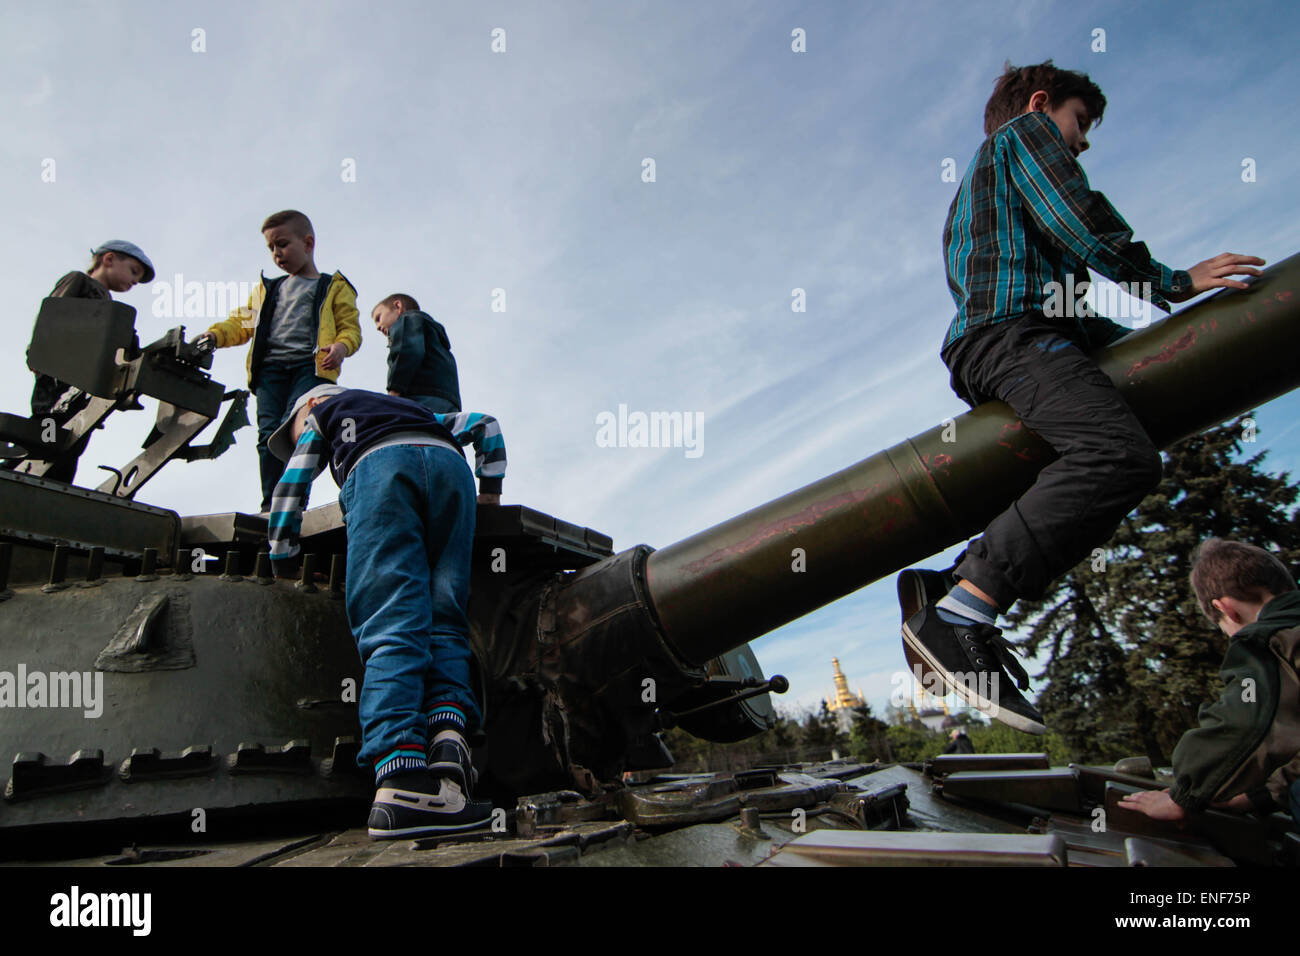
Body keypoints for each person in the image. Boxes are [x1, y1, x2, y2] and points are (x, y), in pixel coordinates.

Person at [899, 60, 1265, 735]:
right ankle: (961, 611)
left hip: (1016, 334)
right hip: (1013, 337)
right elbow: (1080, 217)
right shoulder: (1021, 139)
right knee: (1116, 455)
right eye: (1080, 123)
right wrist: (1172, 282)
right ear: (1040, 106)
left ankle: (953, 579)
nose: (1083, 142)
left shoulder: (977, 195)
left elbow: (1060, 294)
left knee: (1113, 440)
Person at [266, 384, 506, 838]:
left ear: (312, 406)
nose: (298, 441)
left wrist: (283, 557)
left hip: (381, 471)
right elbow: (486, 426)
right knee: (446, 620)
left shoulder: (325, 413)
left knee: (392, 624)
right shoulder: (414, 408)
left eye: (295, 430)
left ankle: (401, 784)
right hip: (452, 469)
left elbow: (291, 486)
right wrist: (488, 493)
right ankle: (449, 743)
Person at [1119, 539, 1300, 825]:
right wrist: (1260, 796)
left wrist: (1185, 795)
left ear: (1226, 609)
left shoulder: (1266, 640)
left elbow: (1244, 723)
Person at [195, 210, 360, 513]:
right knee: (268, 433)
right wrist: (216, 336)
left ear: (308, 243)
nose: (276, 253)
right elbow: (241, 322)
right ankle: (271, 503)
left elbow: (350, 327)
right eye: (271, 248)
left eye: (282, 244)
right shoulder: (268, 290)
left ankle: (292, 503)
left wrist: (341, 346)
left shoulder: (333, 286)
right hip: (271, 370)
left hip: (310, 369)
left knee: (296, 430)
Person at [7, 240, 156, 483]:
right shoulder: (80, 282)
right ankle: (15, 468)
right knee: (48, 429)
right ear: (108, 260)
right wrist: (38, 352)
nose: (134, 281)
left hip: (87, 384)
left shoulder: (114, 309)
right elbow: (53, 314)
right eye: (133, 271)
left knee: (74, 441)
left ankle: (56, 485)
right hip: (59, 373)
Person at [371, 293, 462, 415]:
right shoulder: (437, 340)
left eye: (378, 318)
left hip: (420, 398)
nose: (377, 327)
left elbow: (407, 351)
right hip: (449, 402)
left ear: (398, 306)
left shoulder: (407, 320)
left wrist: (394, 392)